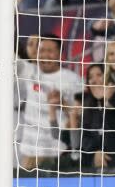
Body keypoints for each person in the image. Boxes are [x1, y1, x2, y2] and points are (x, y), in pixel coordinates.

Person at [18, 35, 83, 170]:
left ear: (59, 54)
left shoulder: (73, 79)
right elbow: (8, 61)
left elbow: (82, 114)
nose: (45, 55)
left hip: (60, 152)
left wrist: (62, 103)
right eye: (41, 50)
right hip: (31, 153)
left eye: (50, 51)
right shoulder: (29, 71)